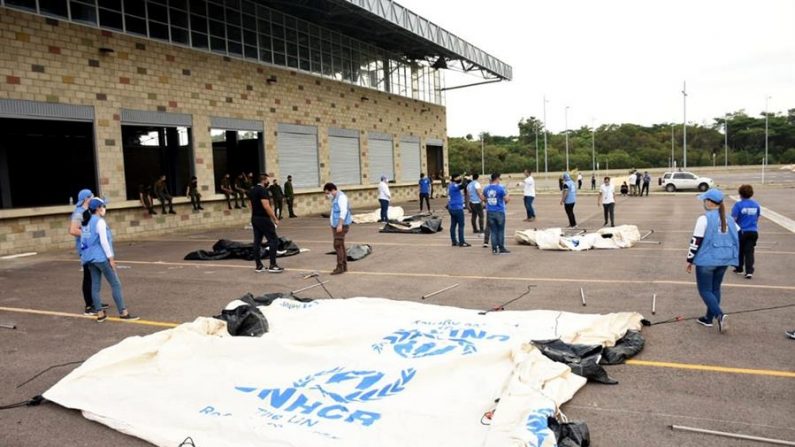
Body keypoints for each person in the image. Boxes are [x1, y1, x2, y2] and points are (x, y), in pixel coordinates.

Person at [686, 188, 739, 334]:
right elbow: (737, 233)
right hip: (724, 259)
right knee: (715, 289)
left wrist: (689, 259)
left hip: (706, 260)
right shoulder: (728, 218)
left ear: (709, 202)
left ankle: (719, 315)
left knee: (704, 290)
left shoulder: (704, 219)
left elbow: (696, 241)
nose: (704, 202)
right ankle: (708, 318)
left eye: (705, 200)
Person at [79, 198, 138, 322]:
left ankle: (100, 314)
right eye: (103, 206)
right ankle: (123, 312)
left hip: (89, 258)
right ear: (98, 208)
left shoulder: (86, 222)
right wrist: (111, 258)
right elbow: (104, 241)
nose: (104, 208)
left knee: (95, 286)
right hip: (101, 258)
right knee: (115, 284)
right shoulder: (99, 221)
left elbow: (83, 242)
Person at [69, 188, 107, 315]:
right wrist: (89, 234)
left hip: (92, 249)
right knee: (88, 277)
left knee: (95, 276)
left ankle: (95, 302)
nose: (93, 197)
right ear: (86, 198)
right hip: (85, 249)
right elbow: (73, 230)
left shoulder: (88, 211)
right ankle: (89, 306)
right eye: (91, 196)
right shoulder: (79, 212)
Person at [248, 174, 283, 273]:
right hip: (263, 218)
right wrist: (275, 218)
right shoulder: (263, 190)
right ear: (263, 180)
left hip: (255, 218)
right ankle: (273, 265)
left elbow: (250, 204)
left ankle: (259, 266)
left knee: (257, 242)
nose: (268, 182)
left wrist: (255, 214)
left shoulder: (252, 190)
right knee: (273, 240)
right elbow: (266, 206)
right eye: (267, 180)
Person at [731, 184, 761, 279]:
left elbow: (734, 219)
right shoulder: (756, 204)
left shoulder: (738, 205)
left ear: (740, 194)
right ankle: (749, 271)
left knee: (740, 250)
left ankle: (739, 267)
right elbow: (757, 217)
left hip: (742, 231)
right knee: (749, 252)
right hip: (753, 231)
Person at [324, 182, 352, 275]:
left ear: (332, 190)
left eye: (328, 193)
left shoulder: (341, 197)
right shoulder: (335, 198)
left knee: (337, 245)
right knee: (341, 245)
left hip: (341, 225)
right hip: (336, 225)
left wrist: (340, 224)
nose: (327, 196)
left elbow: (343, 211)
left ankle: (340, 267)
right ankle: (344, 266)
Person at [483, 173, 510, 254]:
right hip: (499, 211)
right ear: (497, 178)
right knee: (500, 230)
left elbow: (483, 197)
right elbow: (506, 199)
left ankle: (494, 248)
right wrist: (508, 196)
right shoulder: (500, 188)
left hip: (490, 211)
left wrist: (488, 202)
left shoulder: (486, 188)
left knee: (493, 231)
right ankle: (501, 247)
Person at [447, 173, 470, 247]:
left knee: (453, 225)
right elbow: (463, 185)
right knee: (461, 225)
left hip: (451, 207)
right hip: (457, 208)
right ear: (454, 178)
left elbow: (462, 185)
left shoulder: (450, 185)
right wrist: (466, 179)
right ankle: (462, 242)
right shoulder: (454, 185)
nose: (460, 179)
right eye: (458, 177)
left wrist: (466, 181)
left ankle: (454, 241)